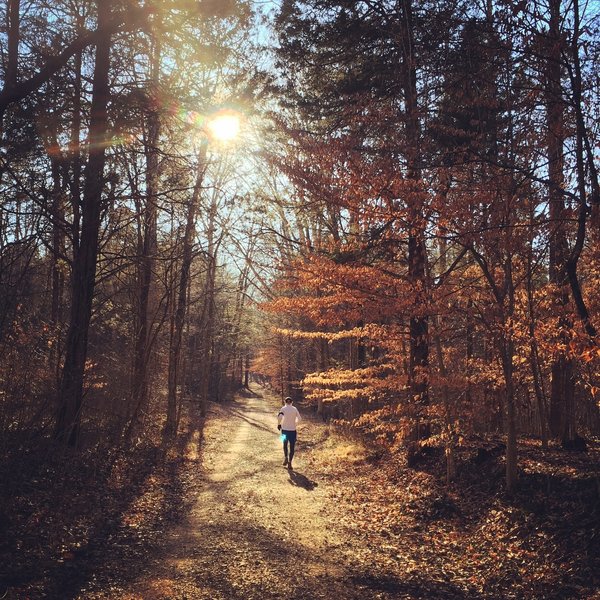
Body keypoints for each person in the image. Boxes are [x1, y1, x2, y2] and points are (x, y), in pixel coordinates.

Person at [277, 396, 301, 469]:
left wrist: (279, 424)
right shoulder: (294, 409)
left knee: (284, 444)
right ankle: (290, 462)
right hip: (293, 431)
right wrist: (295, 423)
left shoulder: (283, 409)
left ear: (285, 402)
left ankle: (285, 457)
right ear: (292, 402)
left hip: (284, 430)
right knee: (292, 446)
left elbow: (280, 417)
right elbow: (299, 418)